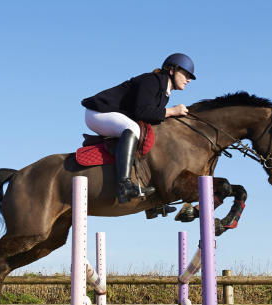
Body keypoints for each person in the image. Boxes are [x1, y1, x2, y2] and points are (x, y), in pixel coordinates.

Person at [81, 53, 196, 203]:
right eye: (186, 74)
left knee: (146, 134)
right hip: (98, 112)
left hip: (112, 114)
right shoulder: (152, 81)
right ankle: (124, 186)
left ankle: (153, 199)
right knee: (132, 129)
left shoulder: (164, 92)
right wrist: (172, 111)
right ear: (172, 70)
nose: (188, 80)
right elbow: (141, 112)